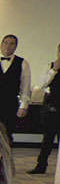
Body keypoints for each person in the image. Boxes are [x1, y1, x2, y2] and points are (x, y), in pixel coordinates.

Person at [29, 43, 60, 174]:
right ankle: (41, 165)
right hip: (52, 107)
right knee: (47, 138)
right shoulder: (50, 66)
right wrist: (54, 70)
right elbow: (41, 84)